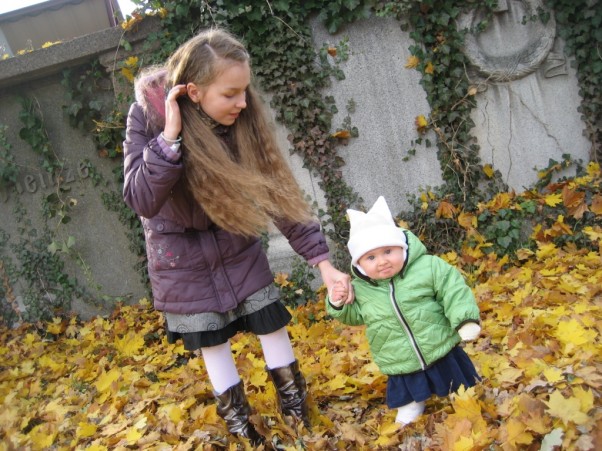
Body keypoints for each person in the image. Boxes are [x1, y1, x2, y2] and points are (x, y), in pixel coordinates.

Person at [122, 27, 353, 444]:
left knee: (270, 322)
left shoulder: (242, 121)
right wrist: (169, 139)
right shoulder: (149, 114)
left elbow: (278, 197)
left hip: (234, 242)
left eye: (244, 91)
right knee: (213, 343)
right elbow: (140, 197)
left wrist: (324, 265)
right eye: (230, 94)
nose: (243, 103)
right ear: (193, 92)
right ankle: (243, 430)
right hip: (180, 258)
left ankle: (299, 417)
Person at [327, 196, 481, 426]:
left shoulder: (428, 267)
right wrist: (338, 303)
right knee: (407, 381)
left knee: (452, 376)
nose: (382, 262)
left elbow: (453, 290)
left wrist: (464, 319)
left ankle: (462, 396)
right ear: (359, 264)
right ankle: (411, 403)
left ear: (402, 246)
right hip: (396, 353)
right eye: (371, 257)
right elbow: (354, 315)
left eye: (388, 251)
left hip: (437, 342)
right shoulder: (362, 289)